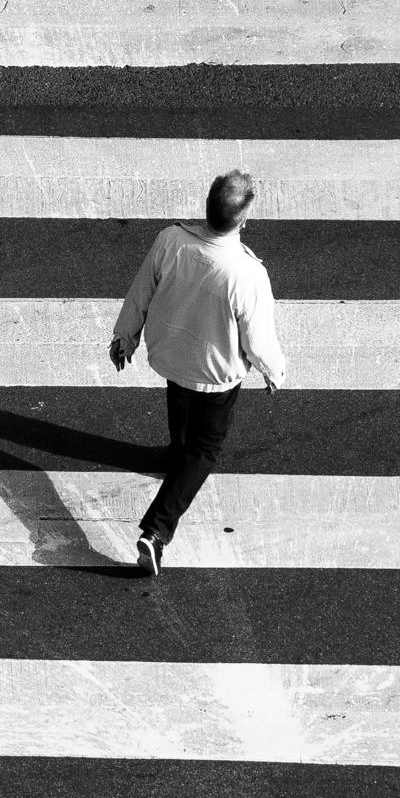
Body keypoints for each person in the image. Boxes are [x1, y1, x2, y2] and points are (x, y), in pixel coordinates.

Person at [109, 168, 286, 575]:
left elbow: (142, 289)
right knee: (206, 448)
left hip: (172, 355)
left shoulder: (170, 240)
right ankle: (156, 531)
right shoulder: (247, 273)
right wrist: (274, 371)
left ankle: (175, 456)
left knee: (181, 412)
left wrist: (126, 336)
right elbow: (257, 340)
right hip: (215, 372)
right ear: (243, 220)